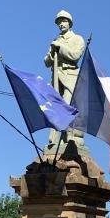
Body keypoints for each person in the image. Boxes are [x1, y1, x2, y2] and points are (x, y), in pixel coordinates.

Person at [44, 10, 87, 153]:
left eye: (63, 21)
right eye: (59, 22)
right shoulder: (56, 40)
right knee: (55, 108)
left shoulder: (77, 39)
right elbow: (46, 62)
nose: (61, 24)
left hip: (70, 76)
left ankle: (70, 135)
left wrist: (60, 48)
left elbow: (75, 55)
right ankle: (54, 138)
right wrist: (51, 52)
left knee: (67, 107)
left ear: (69, 23)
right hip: (56, 78)